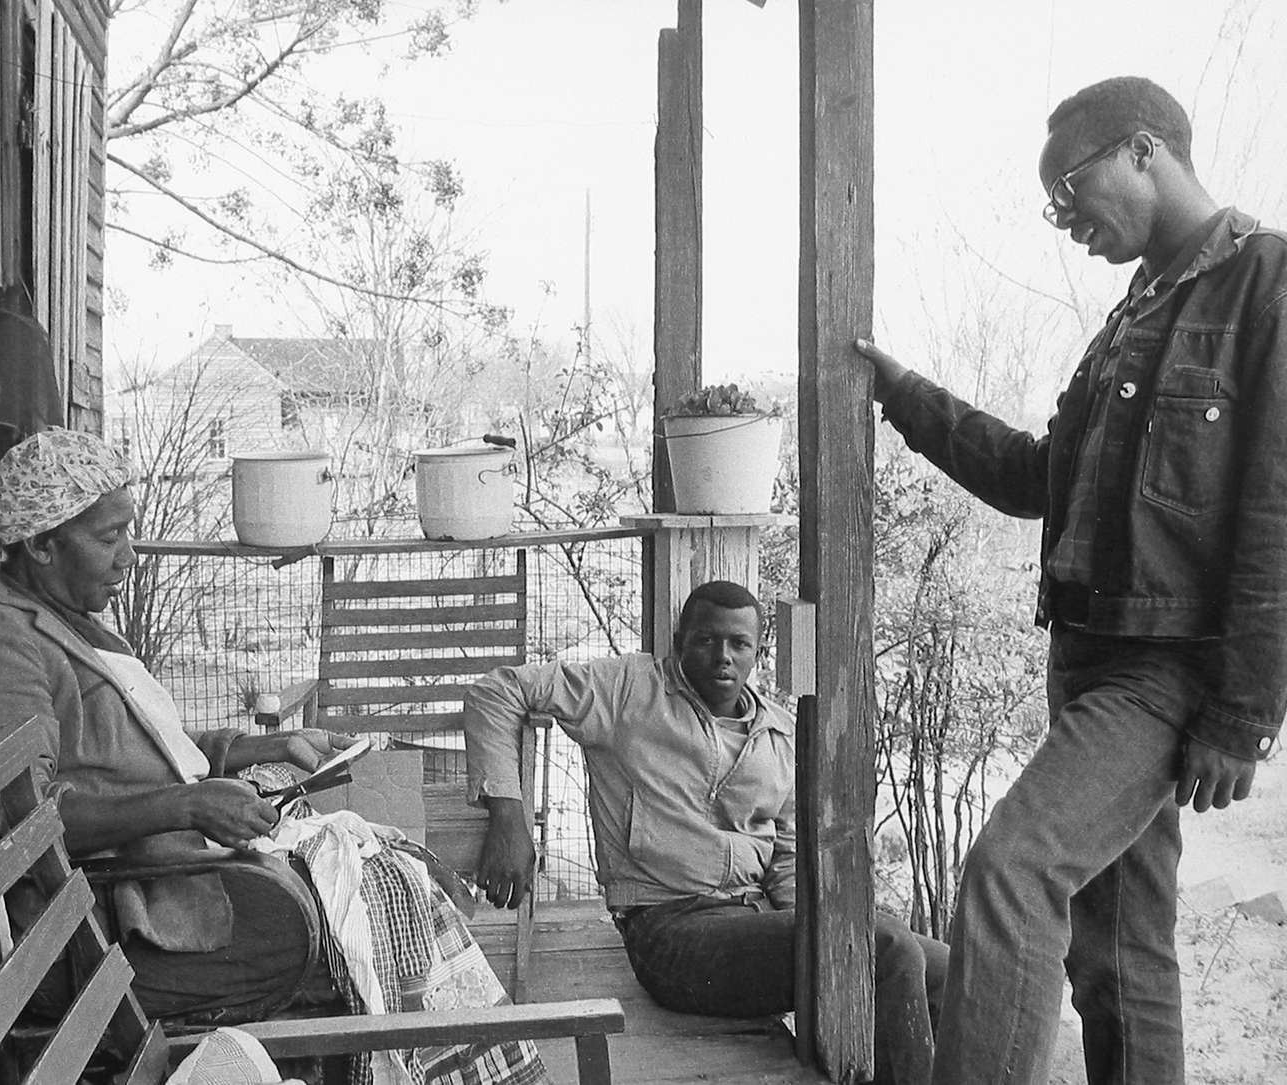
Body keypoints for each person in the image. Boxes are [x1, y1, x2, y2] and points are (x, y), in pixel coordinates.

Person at [854, 75, 1287, 1085]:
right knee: (1118, 954)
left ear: (1142, 149)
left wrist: (1244, 710)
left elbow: (1276, 510)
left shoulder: (1266, 282)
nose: (1064, 221)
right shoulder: (1129, 316)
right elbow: (1028, 478)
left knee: (1009, 872)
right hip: (1085, 665)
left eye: (1068, 189)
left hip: (1160, 673)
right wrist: (904, 394)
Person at [0, 430, 549, 1085]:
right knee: (322, 919)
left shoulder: (69, 615)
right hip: (109, 920)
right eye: (107, 537)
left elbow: (153, 750)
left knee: (383, 872)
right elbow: (23, 820)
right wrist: (187, 803)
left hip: (166, 872)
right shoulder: (1, 641)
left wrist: (268, 746)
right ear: (40, 544)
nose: (127, 554)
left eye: (129, 530)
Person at [464, 580, 948, 1085]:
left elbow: (785, 863)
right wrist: (509, 818)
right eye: (705, 640)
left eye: (739, 644)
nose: (723, 657)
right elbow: (498, 690)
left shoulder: (778, 734)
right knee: (886, 945)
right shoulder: (630, 690)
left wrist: (829, 926)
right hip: (669, 933)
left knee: (949, 970)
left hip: (751, 923)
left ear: (758, 652)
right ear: (680, 640)